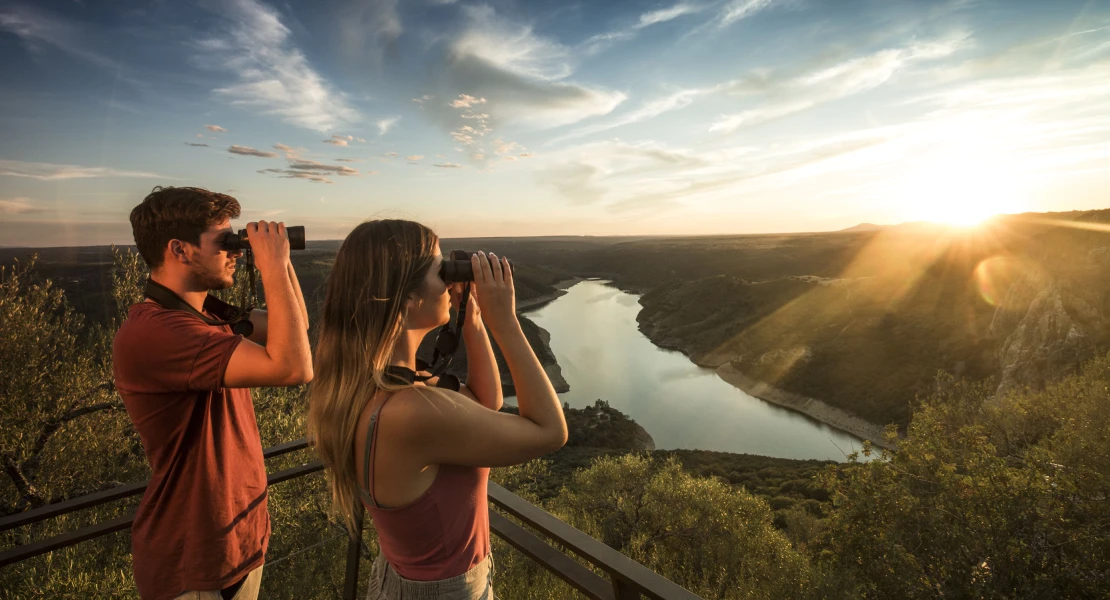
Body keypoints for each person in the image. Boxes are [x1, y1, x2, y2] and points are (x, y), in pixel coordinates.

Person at [308, 220, 567, 599]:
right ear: (408, 298)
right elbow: (549, 431)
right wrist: (505, 322)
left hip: (409, 579)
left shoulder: (380, 385)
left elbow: (484, 403)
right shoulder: (412, 411)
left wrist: (473, 320)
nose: (449, 280)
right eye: (439, 268)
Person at [113, 186, 313, 600]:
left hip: (235, 545)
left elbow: (295, 328)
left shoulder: (206, 316)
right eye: (225, 242)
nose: (236, 251)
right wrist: (270, 263)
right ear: (179, 250)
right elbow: (294, 367)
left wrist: (281, 261)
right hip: (195, 563)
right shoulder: (159, 331)